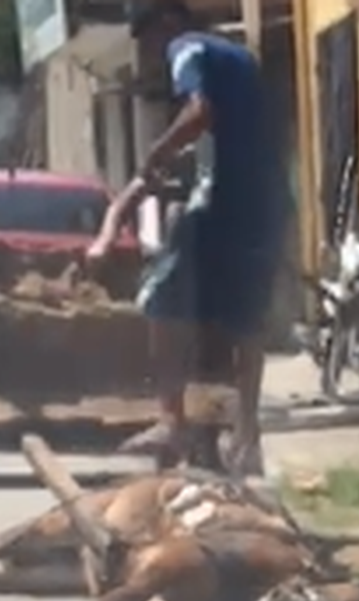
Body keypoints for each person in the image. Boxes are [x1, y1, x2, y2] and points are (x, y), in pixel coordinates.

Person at [86, 0, 290, 476]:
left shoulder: (188, 49)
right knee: (246, 321)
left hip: (225, 202)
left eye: (149, 38)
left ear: (167, 23)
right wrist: (107, 232)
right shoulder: (238, 60)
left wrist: (159, 147)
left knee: (160, 297)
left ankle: (171, 418)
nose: (151, 52)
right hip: (269, 204)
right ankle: (249, 433)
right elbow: (135, 192)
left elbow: (198, 111)